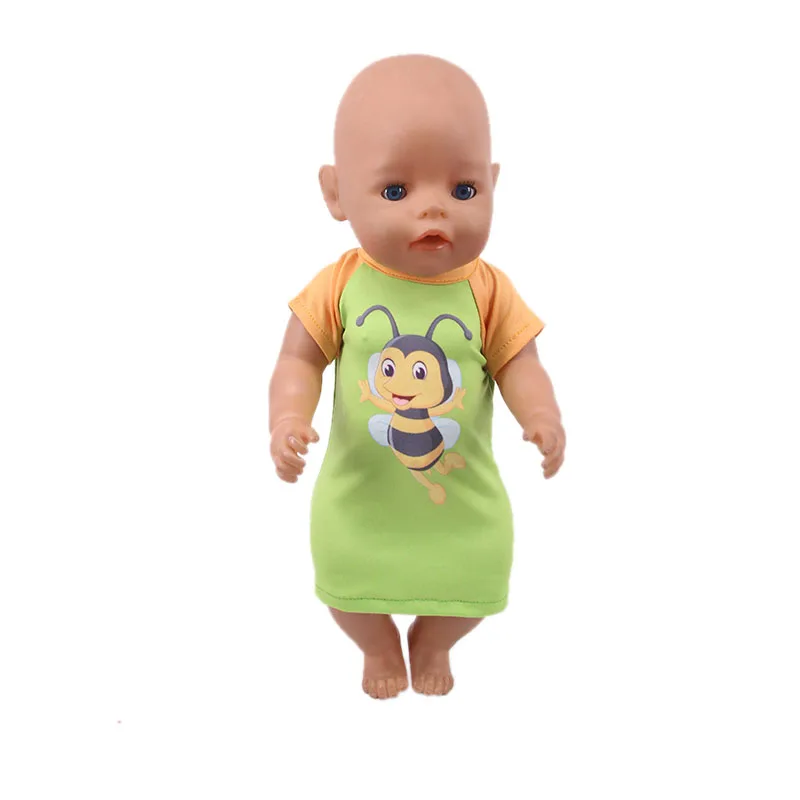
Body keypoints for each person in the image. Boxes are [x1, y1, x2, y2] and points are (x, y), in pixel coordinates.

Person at [269, 54, 565, 699]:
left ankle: (434, 639)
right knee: (346, 583)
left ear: (492, 183)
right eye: (397, 191)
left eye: (464, 190)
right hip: (360, 497)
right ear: (336, 194)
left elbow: (520, 362)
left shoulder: (488, 290)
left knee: (477, 578)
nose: (435, 210)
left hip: (460, 499)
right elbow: (299, 359)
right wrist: (288, 417)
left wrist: (542, 415)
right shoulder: (340, 284)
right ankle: (377, 645)